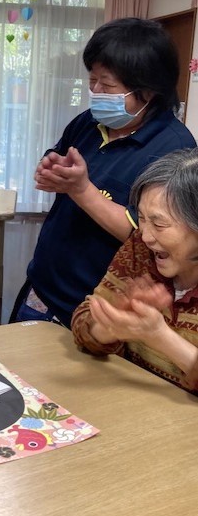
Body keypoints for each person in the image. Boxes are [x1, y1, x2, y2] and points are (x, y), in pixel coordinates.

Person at [10, 17, 196, 329]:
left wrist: (81, 189)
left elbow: (149, 237)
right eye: (92, 80)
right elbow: (59, 155)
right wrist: (51, 170)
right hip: (43, 285)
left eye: (107, 85)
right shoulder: (89, 121)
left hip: (99, 306)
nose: (95, 91)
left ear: (148, 91)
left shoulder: (175, 149)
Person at [72, 148, 198, 393]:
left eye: (159, 224)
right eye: (141, 218)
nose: (146, 235)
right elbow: (84, 320)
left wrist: (159, 336)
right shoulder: (140, 248)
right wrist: (111, 325)